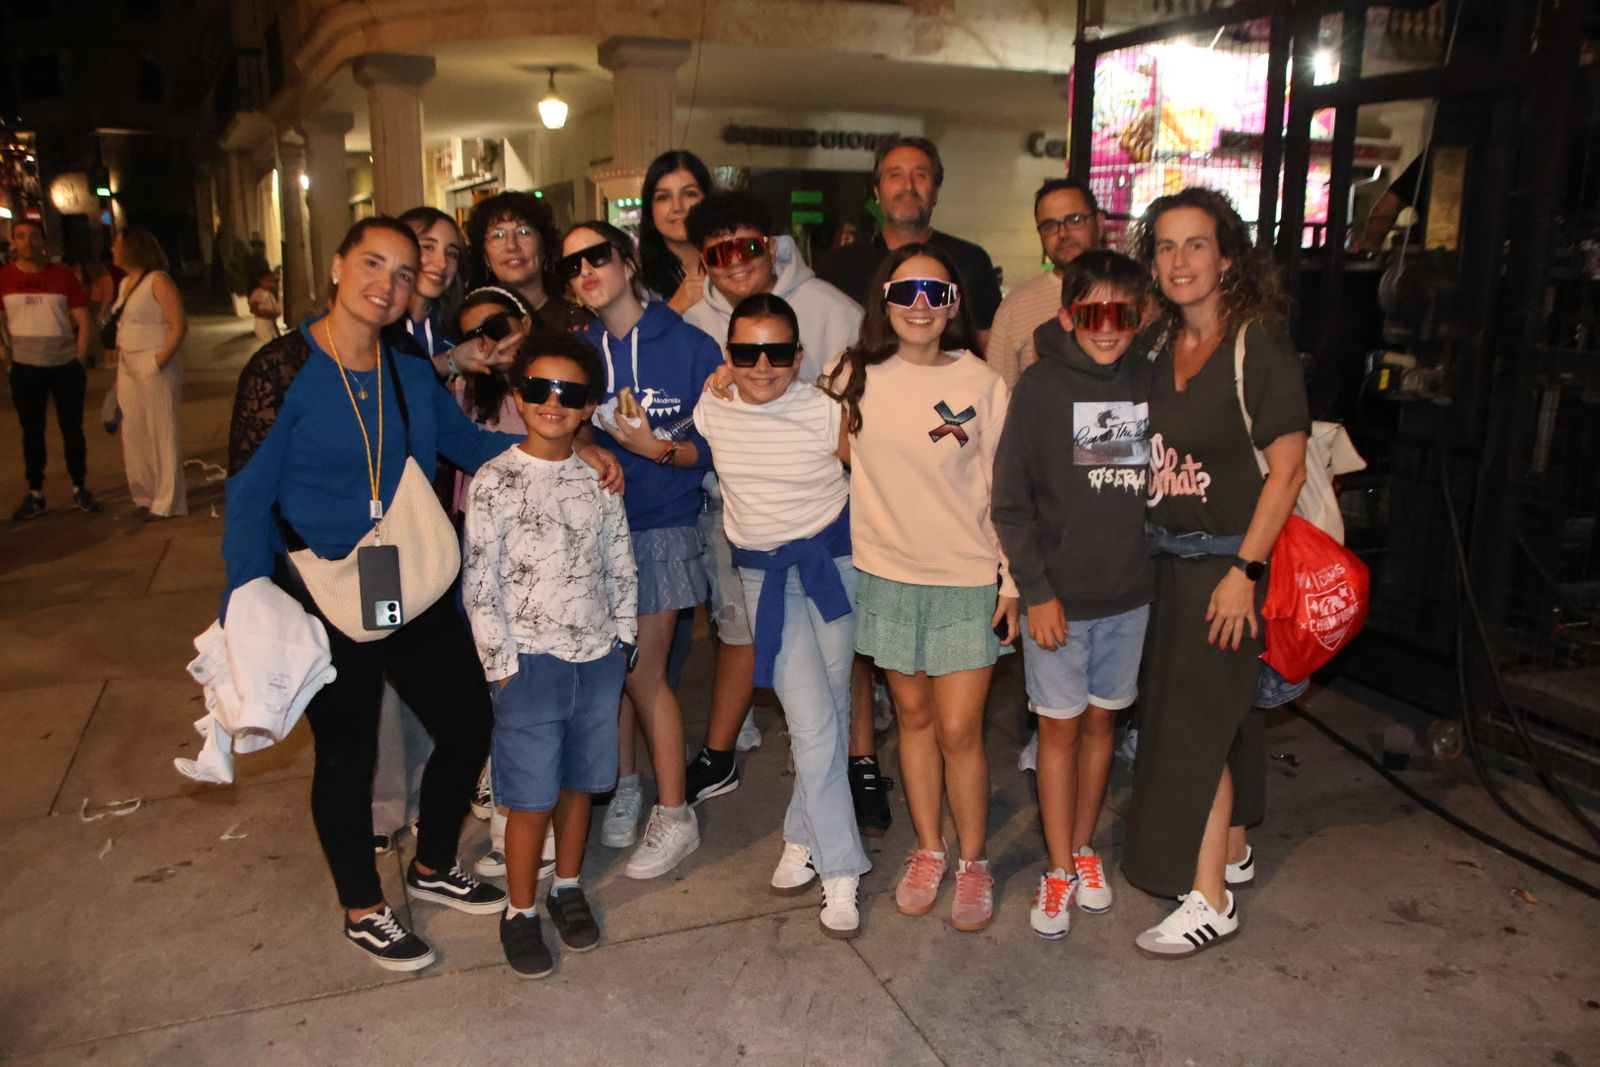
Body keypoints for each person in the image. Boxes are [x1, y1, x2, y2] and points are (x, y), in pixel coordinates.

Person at [222, 217, 618, 971]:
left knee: (469, 720)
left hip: (401, 576)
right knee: (347, 752)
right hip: (317, 587)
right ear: (337, 265)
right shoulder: (281, 369)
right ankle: (363, 905)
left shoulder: (406, 369)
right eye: (374, 263)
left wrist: (567, 446)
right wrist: (242, 603)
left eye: (405, 273)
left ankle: (433, 864)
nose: (389, 283)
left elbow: (469, 445)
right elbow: (247, 498)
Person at [1122, 187, 1309, 959]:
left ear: (1227, 255)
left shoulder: (1254, 341)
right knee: (1225, 718)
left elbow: (1289, 467)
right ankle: (1231, 846)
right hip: (1170, 560)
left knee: (1187, 730)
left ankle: (1209, 897)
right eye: (1165, 247)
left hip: (1228, 567)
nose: (1179, 260)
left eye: (1196, 244)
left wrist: (1245, 569)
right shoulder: (1163, 345)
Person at [820, 244, 1017, 932]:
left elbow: (1008, 493)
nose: (921, 305)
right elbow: (783, 408)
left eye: (936, 292)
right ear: (885, 301)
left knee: (961, 728)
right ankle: (928, 848)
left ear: (956, 302)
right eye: (906, 293)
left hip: (966, 578)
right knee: (912, 719)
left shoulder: (985, 384)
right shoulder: (851, 374)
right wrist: (728, 375)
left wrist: (1012, 582)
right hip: (888, 577)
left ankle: (974, 860)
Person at [677, 191, 882, 822]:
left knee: (840, 649)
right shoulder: (694, 321)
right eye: (718, 253)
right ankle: (734, 757)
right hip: (737, 512)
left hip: (823, 515)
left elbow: (869, 391)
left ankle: (859, 761)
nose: (735, 262)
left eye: (746, 246)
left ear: (771, 244)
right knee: (745, 636)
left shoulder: (828, 307)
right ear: (703, 262)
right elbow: (694, 412)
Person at [694, 292, 870, 937]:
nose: (761, 364)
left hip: (835, 568)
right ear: (728, 355)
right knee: (812, 720)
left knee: (831, 710)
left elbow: (874, 478)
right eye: (746, 351)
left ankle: (804, 836)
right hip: (765, 577)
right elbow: (688, 448)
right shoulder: (712, 404)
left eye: (776, 352)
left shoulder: (829, 412)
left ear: (799, 356)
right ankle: (843, 867)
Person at [462, 331, 637, 979]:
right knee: (528, 797)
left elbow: (620, 560)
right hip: (527, 664)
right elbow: (480, 578)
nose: (553, 402)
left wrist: (624, 640)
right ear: (518, 396)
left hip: (597, 657)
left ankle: (567, 885)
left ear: (588, 405)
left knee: (579, 785)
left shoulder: (598, 477)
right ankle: (520, 908)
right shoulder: (494, 480)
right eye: (539, 389)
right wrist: (499, 664)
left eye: (569, 392)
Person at [992, 250, 1153, 940]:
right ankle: (1057, 867)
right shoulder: (1039, 388)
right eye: (1093, 313)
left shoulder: (1153, 379)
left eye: (1122, 313)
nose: (1108, 327)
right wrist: (1036, 591)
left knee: (1101, 728)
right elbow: (1010, 504)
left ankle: (1083, 848)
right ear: (1068, 315)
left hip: (1131, 599)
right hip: (1056, 602)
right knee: (1056, 731)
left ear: (1139, 317)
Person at [563, 220, 723, 878]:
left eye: (595, 257)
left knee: (643, 673)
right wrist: (589, 443)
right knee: (609, 670)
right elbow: (553, 426)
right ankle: (625, 784)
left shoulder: (690, 344)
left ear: (627, 262)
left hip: (661, 527)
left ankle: (675, 811)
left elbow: (717, 441)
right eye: (571, 265)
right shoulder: (577, 350)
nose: (584, 272)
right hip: (593, 532)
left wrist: (655, 448)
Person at [813, 136, 1003, 344]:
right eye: (895, 175)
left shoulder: (971, 262)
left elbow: (989, 344)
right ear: (877, 192)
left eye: (920, 175)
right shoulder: (834, 269)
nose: (908, 186)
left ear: (936, 192)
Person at [0, 218, 99, 519]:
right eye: (21, 236)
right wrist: (6, 357)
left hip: (63, 366)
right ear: (12, 242)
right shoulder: (4, 278)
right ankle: (35, 493)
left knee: (72, 429)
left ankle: (80, 487)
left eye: (33, 236)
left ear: (44, 242)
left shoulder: (63, 277)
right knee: (32, 432)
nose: (28, 242)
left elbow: (83, 320)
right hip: (26, 367)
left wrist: (78, 360)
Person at [987, 178, 1103, 389]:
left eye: (1075, 220)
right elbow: (997, 398)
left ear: (1100, 223)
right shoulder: (1015, 305)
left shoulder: (1134, 293)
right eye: (1050, 226)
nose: (1063, 234)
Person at [110, 227, 188, 519]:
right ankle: (144, 494)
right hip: (128, 365)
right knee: (134, 432)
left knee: (161, 432)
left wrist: (158, 362)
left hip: (154, 363)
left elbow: (178, 324)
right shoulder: (125, 284)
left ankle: (168, 501)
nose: (113, 249)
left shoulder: (158, 281)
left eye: (118, 244)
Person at [465, 192, 577, 334]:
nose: (512, 246)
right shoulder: (474, 325)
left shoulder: (575, 321)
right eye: (498, 235)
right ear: (485, 257)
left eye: (524, 232)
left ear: (543, 248)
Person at [638, 150, 714, 313]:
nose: (677, 207)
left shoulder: (735, 262)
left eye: (689, 194)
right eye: (663, 197)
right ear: (650, 209)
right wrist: (674, 308)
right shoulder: (635, 283)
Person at [249, 271, 282, 342]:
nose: (270, 283)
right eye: (267, 280)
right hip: (263, 323)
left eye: (272, 281)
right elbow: (253, 309)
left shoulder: (270, 294)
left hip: (270, 323)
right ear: (260, 281)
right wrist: (266, 314)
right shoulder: (258, 292)